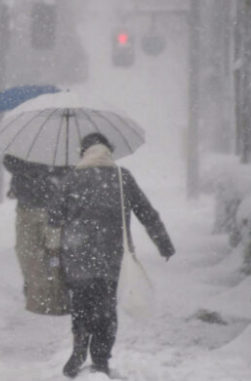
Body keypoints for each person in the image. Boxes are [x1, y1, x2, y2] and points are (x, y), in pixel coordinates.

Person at [48, 133, 175, 378]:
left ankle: (79, 347)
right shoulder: (121, 177)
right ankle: (101, 359)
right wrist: (164, 244)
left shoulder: (71, 179)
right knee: (106, 308)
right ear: (109, 151)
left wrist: (54, 260)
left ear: (83, 152)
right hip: (111, 257)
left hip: (75, 257)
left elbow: (54, 220)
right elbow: (146, 212)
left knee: (81, 305)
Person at [3, 154, 72, 315]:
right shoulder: (28, 141)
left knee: (54, 253)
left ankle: (57, 297)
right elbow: (9, 161)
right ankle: (37, 294)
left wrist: (51, 172)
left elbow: (72, 170)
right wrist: (34, 169)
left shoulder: (63, 141)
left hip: (55, 208)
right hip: (27, 207)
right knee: (27, 252)